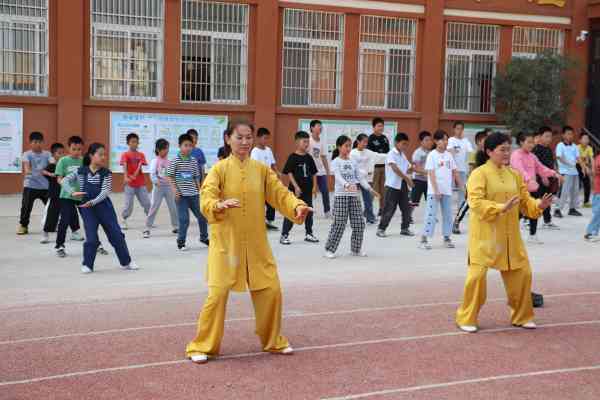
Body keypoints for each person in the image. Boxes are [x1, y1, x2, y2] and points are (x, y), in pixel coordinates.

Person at [185, 121, 312, 364]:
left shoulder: (261, 170)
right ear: (228, 138)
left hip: (256, 243)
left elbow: (280, 193)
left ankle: (273, 340)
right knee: (217, 294)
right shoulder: (219, 170)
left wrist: (297, 206)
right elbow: (206, 197)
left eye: (248, 137)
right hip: (226, 243)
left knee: (271, 289)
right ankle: (202, 345)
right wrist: (217, 205)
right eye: (239, 137)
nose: (244, 142)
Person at [455, 132, 554, 333]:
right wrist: (501, 207)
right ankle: (466, 317)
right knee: (476, 278)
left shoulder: (514, 175)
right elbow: (476, 202)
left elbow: (525, 202)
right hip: (485, 237)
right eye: (502, 149)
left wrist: (539, 205)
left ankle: (522, 316)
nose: (507, 153)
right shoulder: (479, 174)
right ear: (489, 151)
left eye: (509, 149)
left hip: (510, 238)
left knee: (523, 273)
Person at [61, 143, 139, 273]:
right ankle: (87, 265)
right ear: (91, 155)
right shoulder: (81, 171)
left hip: (104, 207)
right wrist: (71, 192)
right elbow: (64, 181)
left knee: (117, 235)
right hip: (87, 209)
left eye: (104, 154)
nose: (103, 157)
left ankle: (126, 262)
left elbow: (105, 192)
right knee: (91, 238)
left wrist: (92, 202)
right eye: (100, 154)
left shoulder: (106, 173)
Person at [325, 135, 379, 258]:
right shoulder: (335, 162)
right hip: (341, 196)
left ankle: (355, 249)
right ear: (339, 147)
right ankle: (329, 249)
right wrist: (347, 185)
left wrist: (370, 189)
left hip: (354, 196)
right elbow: (338, 177)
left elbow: (360, 178)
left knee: (359, 223)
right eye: (346, 146)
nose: (349, 148)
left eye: (350, 146)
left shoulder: (353, 161)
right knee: (339, 223)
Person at [510, 132, 563, 244]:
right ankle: (510, 235)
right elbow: (519, 170)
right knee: (517, 214)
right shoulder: (516, 155)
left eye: (532, 142)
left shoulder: (532, 156)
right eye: (528, 142)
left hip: (533, 189)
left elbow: (541, 168)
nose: (531, 145)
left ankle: (532, 235)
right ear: (521, 142)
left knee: (534, 211)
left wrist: (554, 174)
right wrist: (529, 180)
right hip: (519, 190)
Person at [419, 130, 462, 250]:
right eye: (443, 139)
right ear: (436, 141)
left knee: (448, 215)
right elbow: (431, 174)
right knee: (431, 215)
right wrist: (436, 190)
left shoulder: (449, 156)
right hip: (434, 191)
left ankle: (447, 238)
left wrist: (462, 187)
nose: (445, 141)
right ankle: (424, 239)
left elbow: (455, 171)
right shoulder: (432, 155)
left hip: (447, 190)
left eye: (446, 139)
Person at [167, 133, 209, 251]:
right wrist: (175, 190)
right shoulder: (175, 161)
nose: (188, 148)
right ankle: (181, 242)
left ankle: (204, 237)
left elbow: (196, 177)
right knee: (184, 220)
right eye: (185, 145)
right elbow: (169, 176)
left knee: (202, 216)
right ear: (180, 146)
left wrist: (199, 191)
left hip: (194, 195)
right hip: (181, 196)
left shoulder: (194, 161)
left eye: (190, 145)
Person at [280, 131, 319, 245]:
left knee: (308, 211)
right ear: (297, 142)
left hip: (307, 190)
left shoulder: (309, 157)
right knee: (292, 212)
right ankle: (284, 235)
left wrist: (314, 187)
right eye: (304, 141)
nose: (306, 144)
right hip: (295, 191)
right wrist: (296, 187)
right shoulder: (292, 157)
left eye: (308, 142)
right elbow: (289, 173)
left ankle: (309, 233)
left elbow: (314, 173)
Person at [376, 133, 414, 238]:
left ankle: (405, 228)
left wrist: (419, 170)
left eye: (406, 144)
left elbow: (408, 168)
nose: (405, 146)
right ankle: (381, 229)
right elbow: (395, 169)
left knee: (406, 208)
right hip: (392, 186)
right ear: (396, 143)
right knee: (389, 209)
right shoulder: (391, 154)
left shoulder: (403, 155)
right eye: (403, 144)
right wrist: (407, 179)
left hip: (402, 185)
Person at [54, 136, 86, 257]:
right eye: (74, 149)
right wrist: (70, 191)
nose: (77, 152)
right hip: (67, 196)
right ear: (69, 148)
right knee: (64, 221)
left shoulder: (84, 161)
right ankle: (60, 246)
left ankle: (96, 244)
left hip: (82, 196)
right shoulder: (63, 161)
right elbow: (59, 179)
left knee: (90, 220)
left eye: (79, 149)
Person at [452, 130, 489, 234]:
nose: (487, 143)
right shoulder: (474, 154)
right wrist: (471, 184)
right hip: (474, 183)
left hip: (486, 183)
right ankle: (456, 221)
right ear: (478, 142)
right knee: (467, 203)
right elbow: (471, 169)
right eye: (484, 141)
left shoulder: (489, 154)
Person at [17, 131, 51, 235]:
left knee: (51, 207)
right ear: (30, 143)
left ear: (43, 142)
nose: (37, 144)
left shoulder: (47, 154)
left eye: (39, 142)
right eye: (35, 142)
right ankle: (23, 226)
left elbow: (53, 164)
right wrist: (40, 171)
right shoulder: (27, 154)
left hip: (45, 186)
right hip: (30, 185)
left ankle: (52, 224)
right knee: (26, 207)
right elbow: (27, 168)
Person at [143, 139, 178, 238]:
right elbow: (152, 174)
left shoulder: (169, 161)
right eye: (164, 149)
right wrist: (155, 181)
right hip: (158, 188)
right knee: (154, 207)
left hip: (168, 187)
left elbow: (172, 174)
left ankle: (176, 226)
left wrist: (174, 186)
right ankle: (147, 228)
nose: (166, 151)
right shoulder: (155, 161)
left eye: (167, 148)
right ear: (158, 150)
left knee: (173, 207)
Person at [350, 133, 387, 224]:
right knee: (352, 200)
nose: (365, 144)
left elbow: (379, 156)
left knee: (368, 199)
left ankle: (370, 218)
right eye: (364, 142)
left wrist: (391, 155)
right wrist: (365, 172)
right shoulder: (352, 153)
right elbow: (353, 168)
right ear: (358, 141)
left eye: (367, 142)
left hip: (365, 180)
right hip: (354, 180)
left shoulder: (368, 152)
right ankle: (352, 218)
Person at [251, 127, 281, 231]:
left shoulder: (268, 150)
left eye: (268, 138)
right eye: (265, 138)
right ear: (258, 138)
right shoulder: (255, 151)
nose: (266, 140)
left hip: (269, 181)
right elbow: (255, 167)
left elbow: (273, 163)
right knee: (260, 203)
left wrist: (277, 172)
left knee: (271, 202)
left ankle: (269, 222)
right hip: (259, 182)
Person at [120, 133, 151, 229]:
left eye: (136, 142)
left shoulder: (141, 155)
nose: (135, 144)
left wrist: (139, 166)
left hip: (141, 183)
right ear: (128, 143)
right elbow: (124, 165)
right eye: (132, 142)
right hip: (129, 184)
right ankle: (124, 220)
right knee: (128, 205)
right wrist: (125, 177)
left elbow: (142, 164)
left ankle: (150, 219)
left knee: (147, 203)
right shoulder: (125, 154)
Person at [532, 127, 560, 229]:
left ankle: (547, 221)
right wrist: (543, 177)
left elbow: (550, 164)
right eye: (546, 136)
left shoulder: (548, 149)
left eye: (550, 137)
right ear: (540, 137)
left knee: (547, 199)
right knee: (536, 200)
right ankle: (529, 220)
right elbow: (536, 166)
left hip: (549, 178)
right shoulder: (536, 149)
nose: (549, 139)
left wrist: (555, 173)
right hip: (539, 179)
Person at [555, 126, 585, 218]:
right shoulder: (560, 145)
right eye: (568, 134)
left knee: (575, 191)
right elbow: (559, 157)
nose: (570, 135)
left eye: (571, 134)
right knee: (563, 191)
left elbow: (578, 158)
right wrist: (568, 163)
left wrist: (583, 167)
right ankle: (557, 209)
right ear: (563, 135)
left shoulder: (574, 146)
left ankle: (572, 209)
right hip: (564, 172)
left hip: (574, 172)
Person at [41, 142, 66, 243]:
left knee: (70, 214)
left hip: (65, 195)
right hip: (54, 195)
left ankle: (75, 232)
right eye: (59, 153)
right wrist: (50, 174)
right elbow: (43, 171)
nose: (61, 155)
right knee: (50, 215)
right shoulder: (52, 166)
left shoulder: (65, 166)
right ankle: (45, 233)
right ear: (53, 155)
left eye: (63, 153)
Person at [308, 120, 331, 218]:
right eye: (318, 126)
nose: (320, 128)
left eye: (321, 126)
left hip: (320, 171)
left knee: (325, 191)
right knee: (309, 192)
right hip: (310, 172)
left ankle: (327, 211)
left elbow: (323, 157)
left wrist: (328, 170)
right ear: (312, 128)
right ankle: (309, 211)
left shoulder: (322, 141)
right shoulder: (308, 141)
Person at [448, 121, 474, 211]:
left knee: (462, 190)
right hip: (451, 169)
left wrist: (470, 167)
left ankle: (460, 208)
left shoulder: (465, 141)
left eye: (461, 129)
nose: (459, 131)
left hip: (462, 169)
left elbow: (471, 152)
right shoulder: (451, 140)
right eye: (457, 129)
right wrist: (452, 150)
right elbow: (448, 150)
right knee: (450, 189)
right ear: (454, 129)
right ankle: (448, 207)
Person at [367, 117, 390, 216]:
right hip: (374, 168)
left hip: (384, 167)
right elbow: (369, 154)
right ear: (374, 127)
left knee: (383, 190)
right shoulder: (370, 139)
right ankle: (368, 210)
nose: (381, 128)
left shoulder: (385, 138)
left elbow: (388, 152)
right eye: (379, 126)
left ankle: (382, 209)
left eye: (382, 126)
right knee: (373, 189)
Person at [410, 131, 433, 211]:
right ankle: (408, 215)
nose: (429, 142)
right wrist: (427, 173)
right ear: (421, 142)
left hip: (428, 181)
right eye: (426, 140)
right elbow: (415, 168)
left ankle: (430, 215)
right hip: (418, 180)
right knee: (414, 201)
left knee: (430, 200)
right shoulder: (417, 153)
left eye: (430, 140)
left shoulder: (431, 153)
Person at [584, 151, 600, 242]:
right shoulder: (598, 158)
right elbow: (595, 171)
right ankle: (591, 232)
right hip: (598, 190)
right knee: (598, 212)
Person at [578, 133, 594, 208]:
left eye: (587, 139)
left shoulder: (589, 148)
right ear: (580, 140)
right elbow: (578, 160)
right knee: (576, 185)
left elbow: (592, 159)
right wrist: (584, 168)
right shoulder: (577, 148)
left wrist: (593, 168)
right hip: (577, 166)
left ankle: (586, 202)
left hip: (585, 167)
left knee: (587, 184)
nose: (586, 140)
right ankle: (573, 202)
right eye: (584, 138)